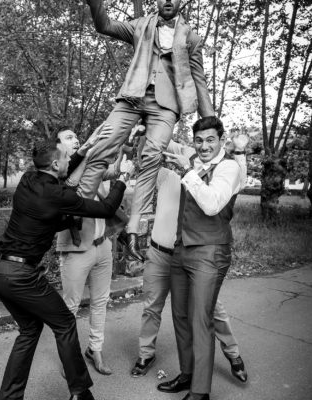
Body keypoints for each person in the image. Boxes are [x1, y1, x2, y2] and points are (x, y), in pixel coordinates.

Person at [0, 136, 132, 400]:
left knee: (30, 330)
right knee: (65, 322)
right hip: (21, 275)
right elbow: (108, 207)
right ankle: (80, 393)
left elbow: (51, 206)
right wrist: (124, 178)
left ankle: (9, 397)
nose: (70, 159)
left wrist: (82, 154)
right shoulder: (59, 195)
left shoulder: (28, 180)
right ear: (55, 164)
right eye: (66, 157)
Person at [79, 0, 215, 262]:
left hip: (165, 107)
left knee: (152, 156)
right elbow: (104, 25)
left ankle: (132, 229)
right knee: (104, 144)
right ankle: (76, 210)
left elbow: (200, 81)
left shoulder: (193, 38)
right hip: (132, 97)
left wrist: (212, 126)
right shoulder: (140, 25)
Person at [130, 134, 249, 386]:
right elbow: (147, 155)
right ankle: (145, 355)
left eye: (206, 147)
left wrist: (237, 152)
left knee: (212, 312)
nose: (200, 151)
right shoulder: (164, 176)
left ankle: (234, 355)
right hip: (160, 254)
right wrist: (145, 132)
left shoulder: (206, 183)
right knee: (152, 306)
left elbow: (232, 182)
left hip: (193, 256)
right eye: (196, 145)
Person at [156, 116, 242, 400]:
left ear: (221, 139)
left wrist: (187, 172)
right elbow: (165, 141)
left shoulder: (229, 167)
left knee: (200, 319)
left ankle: (201, 392)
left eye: (210, 140)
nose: (203, 146)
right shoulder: (193, 159)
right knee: (180, 316)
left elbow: (212, 203)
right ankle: (188, 374)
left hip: (210, 251)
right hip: (182, 249)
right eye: (199, 140)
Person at [56, 127, 135, 376]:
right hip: (77, 249)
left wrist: (127, 145)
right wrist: (88, 155)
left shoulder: (92, 166)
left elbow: (113, 171)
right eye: (68, 138)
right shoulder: (60, 175)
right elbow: (74, 182)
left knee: (101, 302)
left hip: (103, 246)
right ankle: (68, 358)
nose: (75, 138)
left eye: (75, 136)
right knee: (70, 306)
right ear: (58, 148)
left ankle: (95, 350)